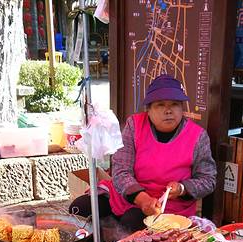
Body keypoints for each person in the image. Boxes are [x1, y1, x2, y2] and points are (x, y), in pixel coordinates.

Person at [70, 74, 217, 232]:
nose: (168, 111)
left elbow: (208, 180)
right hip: (130, 194)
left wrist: (182, 188)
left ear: (182, 108)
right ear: (149, 110)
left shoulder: (197, 136)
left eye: (174, 104)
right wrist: (142, 199)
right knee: (80, 208)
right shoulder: (134, 126)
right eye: (160, 105)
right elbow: (121, 170)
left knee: (131, 223)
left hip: (168, 206)